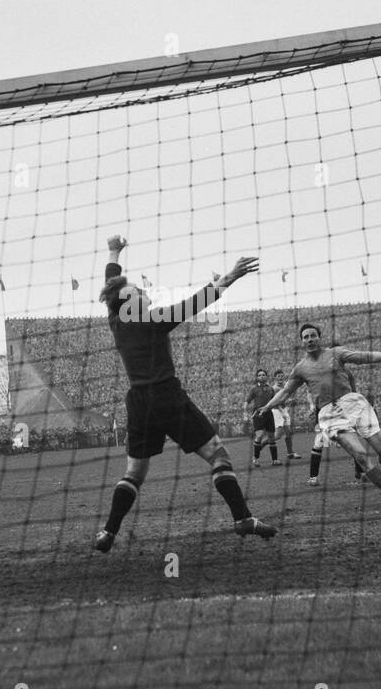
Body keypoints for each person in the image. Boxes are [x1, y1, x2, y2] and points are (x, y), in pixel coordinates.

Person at [94, 235, 276, 553]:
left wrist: (113, 253)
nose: (144, 292)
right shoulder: (151, 319)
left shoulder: (117, 321)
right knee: (219, 455)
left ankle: (108, 532)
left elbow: (112, 287)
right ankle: (242, 519)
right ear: (130, 302)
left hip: (137, 403)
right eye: (138, 292)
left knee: (134, 473)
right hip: (167, 396)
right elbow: (195, 303)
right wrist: (230, 277)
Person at [259, 323, 381, 509]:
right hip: (330, 415)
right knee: (360, 455)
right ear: (301, 342)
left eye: (313, 335)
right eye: (305, 337)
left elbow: (363, 357)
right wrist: (267, 406)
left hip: (353, 404)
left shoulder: (336, 353)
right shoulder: (300, 368)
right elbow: (286, 392)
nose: (309, 339)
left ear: (319, 338)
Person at [245, 370, 280, 467]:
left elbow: (274, 401)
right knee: (259, 436)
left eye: (263, 375)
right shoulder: (254, 389)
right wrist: (245, 414)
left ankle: (275, 460)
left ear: (266, 376)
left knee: (271, 438)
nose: (261, 376)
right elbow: (247, 402)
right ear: (257, 377)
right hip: (258, 414)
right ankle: (256, 459)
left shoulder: (271, 389)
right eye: (259, 375)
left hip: (269, 414)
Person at [272, 370, 301, 460]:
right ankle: (259, 446)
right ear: (275, 377)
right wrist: (288, 402)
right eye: (279, 376)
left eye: (282, 376)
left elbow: (284, 399)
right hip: (277, 411)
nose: (281, 377)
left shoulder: (284, 387)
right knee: (277, 435)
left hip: (283, 410)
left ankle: (290, 453)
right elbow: (275, 402)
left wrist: (290, 402)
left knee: (289, 433)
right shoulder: (274, 388)